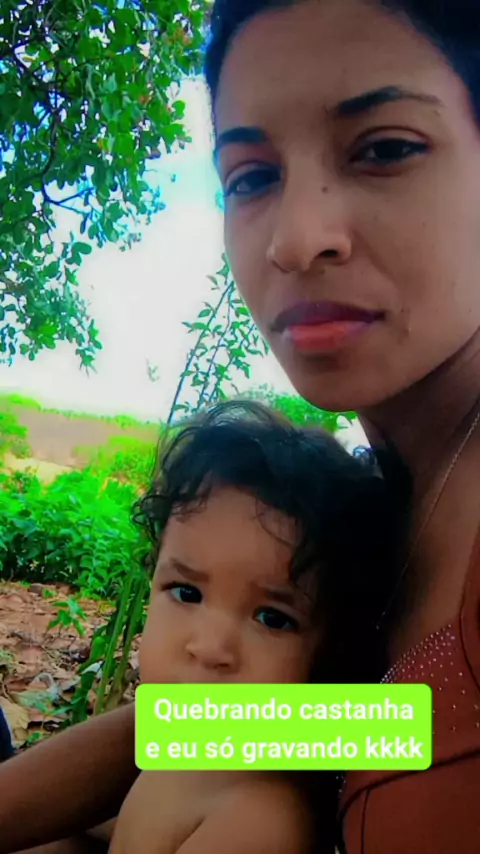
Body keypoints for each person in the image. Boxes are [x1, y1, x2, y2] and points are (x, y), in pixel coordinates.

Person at [1, 0, 480, 851]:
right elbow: (279, 729)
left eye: (385, 149)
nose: (296, 240)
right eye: (251, 175)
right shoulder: (371, 510)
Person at [108, 399, 408, 854]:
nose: (210, 648)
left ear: (331, 651)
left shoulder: (259, 818)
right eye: (186, 592)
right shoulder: (186, 753)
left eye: (272, 618)